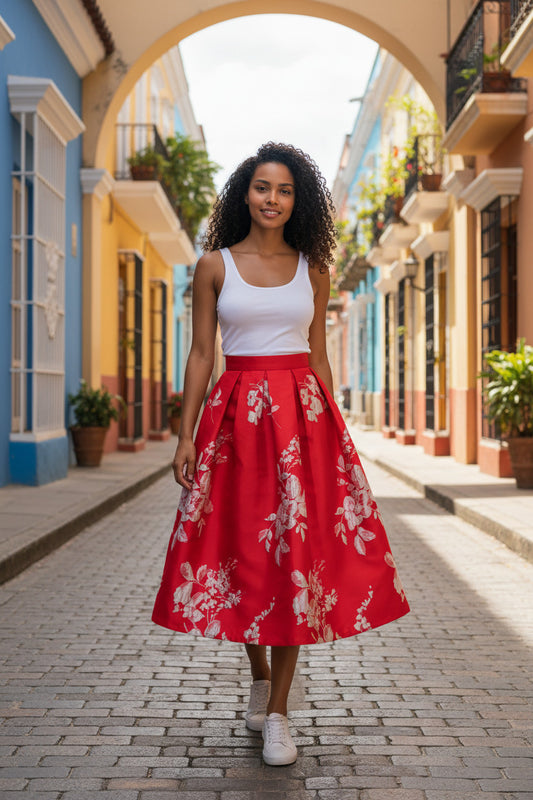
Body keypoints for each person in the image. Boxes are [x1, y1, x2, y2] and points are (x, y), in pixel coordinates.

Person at [152, 142, 410, 767]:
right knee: (243, 552)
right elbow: (201, 355)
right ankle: (259, 673)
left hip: (302, 421)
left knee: (297, 560)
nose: (273, 199)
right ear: (246, 192)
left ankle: (278, 712)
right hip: (235, 423)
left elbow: (318, 355)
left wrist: (338, 440)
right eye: (263, 187)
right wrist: (186, 435)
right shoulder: (213, 266)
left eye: (286, 190)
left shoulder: (313, 270)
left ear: (300, 201)